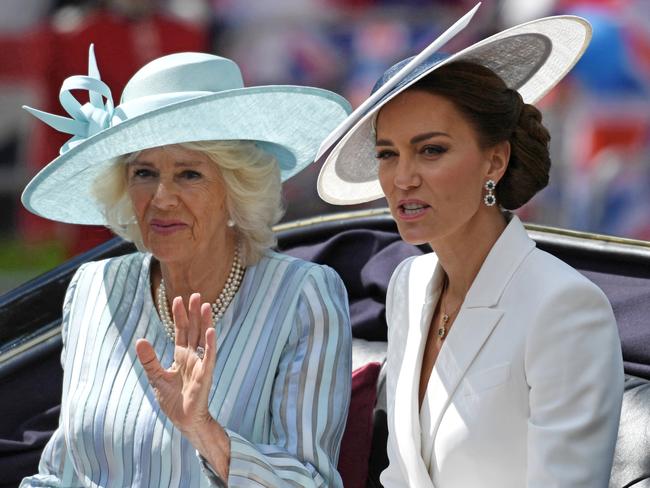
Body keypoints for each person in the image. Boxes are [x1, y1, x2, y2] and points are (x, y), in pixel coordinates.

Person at [316, 10, 624, 488]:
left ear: (494, 160)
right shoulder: (409, 285)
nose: (403, 178)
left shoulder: (563, 305)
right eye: (387, 154)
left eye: (431, 150)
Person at [19, 46, 352, 487]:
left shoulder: (302, 296)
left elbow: (313, 481)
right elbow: (61, 472)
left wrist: (203, 429)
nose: (161, 198)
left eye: (189, 174)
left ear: (236, 188)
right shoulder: (94, 288)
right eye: (144, 173)